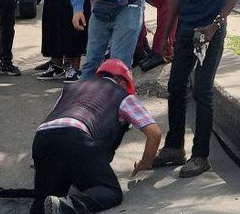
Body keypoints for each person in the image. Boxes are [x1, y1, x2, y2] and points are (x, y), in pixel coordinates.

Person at [153, 0, 240, 178]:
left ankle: (201, 155)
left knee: (202, 89)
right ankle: (174, 147)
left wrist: (215, 25)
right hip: (187, 28)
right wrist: (166, 32)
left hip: (209, 30)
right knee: (176, 85)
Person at [30, 59, 162, 214]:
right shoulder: (123, 95)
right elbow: (154, 133)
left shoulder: (71, 88)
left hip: (42, 138)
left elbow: (56, 120)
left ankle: (55, 206)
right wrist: (145, 162)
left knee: (45, 202)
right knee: (109, 191)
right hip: (76, 137)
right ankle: (70, 206)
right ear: (121, 81)